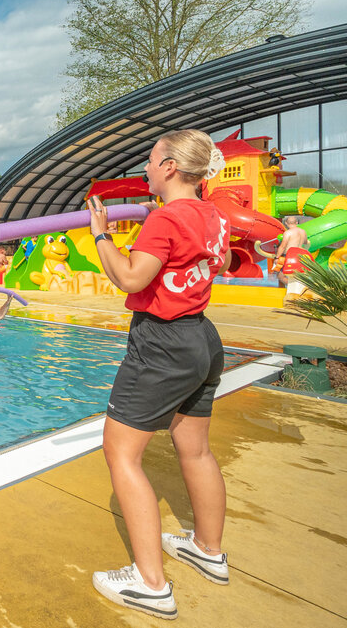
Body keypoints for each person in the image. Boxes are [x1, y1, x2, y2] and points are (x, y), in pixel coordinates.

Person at [86, 129, 232, 619]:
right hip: (203, 340)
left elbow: (130, 277)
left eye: (149, 161)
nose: (145, 170)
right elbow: (224, 261)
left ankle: (150, 583)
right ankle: (209, 550)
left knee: (121, 455)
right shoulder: (212, 215)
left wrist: (102, 235)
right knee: (196, 449)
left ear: (170, 166)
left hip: (163, 343)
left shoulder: (166, 218)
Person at [274, 216, 310, 287]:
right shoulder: (303, 232)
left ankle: (294, 287)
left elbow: (283, 246)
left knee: (280, 276)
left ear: (286, 223)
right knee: (296, 275)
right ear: (296, 222)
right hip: (299, 256)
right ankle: (299, 287)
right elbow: (306, 242)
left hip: (289, 257)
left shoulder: (288, 233)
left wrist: (277, 258)